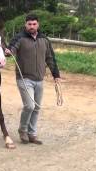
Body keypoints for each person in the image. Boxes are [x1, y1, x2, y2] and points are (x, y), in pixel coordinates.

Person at [5, 14, 61, 145]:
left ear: (38, 25)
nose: (31, 26)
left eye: (34, 24)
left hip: (39, 80)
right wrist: (8, 52)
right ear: (25, 25)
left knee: (36, 108)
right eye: (29, 24)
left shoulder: (44, 40)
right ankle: (22, 130)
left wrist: (56, 74)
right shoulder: (19, 38)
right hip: (24, 78)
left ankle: (32, 134)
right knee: (29, 106)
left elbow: (50, 58)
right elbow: (11, 49)